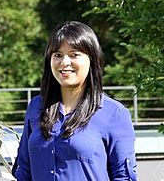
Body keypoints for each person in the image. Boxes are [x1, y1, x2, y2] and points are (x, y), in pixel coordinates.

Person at [12, 21, 137, 180]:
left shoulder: (114, 113)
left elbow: (124, 177)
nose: (64, 62)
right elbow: (24, 170)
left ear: (92, 59)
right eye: (57, 55)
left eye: (74, 54)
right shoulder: (36, 107)